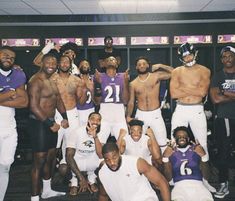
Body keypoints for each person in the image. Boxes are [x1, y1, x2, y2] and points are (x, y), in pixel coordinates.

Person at [170, 42, 215, 192]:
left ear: (195, 53)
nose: (188, 58)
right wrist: (193, 89)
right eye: (185, 56)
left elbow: (202, 93)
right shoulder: (176, 71)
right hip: (181, 108)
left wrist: (183, 88)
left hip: (197, 109)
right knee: (173, 142)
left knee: (202, 144)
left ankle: (205, 180)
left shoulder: (205, 71)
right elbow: (174, 94)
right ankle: (172, 176)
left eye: (189, 54)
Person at [28, 53, 69, 201]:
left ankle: (47, 190)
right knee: (39, 160)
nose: (51, 65)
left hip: (51, 123)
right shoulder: (35, 81)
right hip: (39, 124)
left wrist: (65, 118)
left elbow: (57, 100)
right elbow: (33, 106)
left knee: (51, 157)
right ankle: (34, 197)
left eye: (54, 63)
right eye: (48, 62)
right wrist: (50, 124)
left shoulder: (52, 80)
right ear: (41, 63)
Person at [126, 56, 173, 153]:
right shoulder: (133, 84)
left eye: (144, 64)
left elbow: (175, 72)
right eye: (139, 64)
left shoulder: (156, 76)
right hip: (141, 115)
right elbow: (131, 101)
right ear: (136, 67)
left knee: (162, 142)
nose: (142, 66)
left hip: (156, 114)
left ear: (148, 65)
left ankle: (164, 165)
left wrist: (160, 65)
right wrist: (128, 116)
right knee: (139, 143)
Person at [0, 46, 28, 201]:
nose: (8, 59)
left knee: (5, 167)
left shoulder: (18, 74)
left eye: (11, 57)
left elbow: (24, 102)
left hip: (9, 129)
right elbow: (16, 97)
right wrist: (11, 93)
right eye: (5, 55)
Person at [98, 143, 170, 201]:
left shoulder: (136, 163)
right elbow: (103, 196)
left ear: (119, 153)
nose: (112, 162)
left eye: (114, 157)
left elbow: (162, 182)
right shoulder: (102, 173)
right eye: (107, 159)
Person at [210, 46, 235, 199]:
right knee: (224, 152)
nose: (227, 59)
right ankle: (223, 183)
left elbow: (221, 95)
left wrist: (225, 92)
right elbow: (215, 98)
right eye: (224, 57)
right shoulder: (218, 76)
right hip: (224, 117)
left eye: (230, 56)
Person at [162, 126, 214, 201]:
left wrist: (203, 156)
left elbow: (207, 177)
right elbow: (169, 180)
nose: (181, 138)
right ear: (175, 139)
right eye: (179, 136)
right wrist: (165, 158)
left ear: (188, 139)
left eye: (184, 136)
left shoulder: (196, 149)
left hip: (199, 186)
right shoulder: (170, 151)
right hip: (179, 187)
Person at [66, 112, 108, 195]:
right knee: (63, 168)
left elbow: (100, 155)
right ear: (88, 120)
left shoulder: (102, 132)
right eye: (93, 119)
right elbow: (69, 156)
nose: (95, 121)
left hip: (92, 160)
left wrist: (95, 137)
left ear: (100, 122)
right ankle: (74, 180)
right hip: (78, 159)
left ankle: (91, 178)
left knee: (105, 163)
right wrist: (81, 178)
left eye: (98, 120)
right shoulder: (77, 131)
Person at [94, 56, 129, 140]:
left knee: (124, 142)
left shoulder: (123, 76)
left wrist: (126, 83)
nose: (111, 61)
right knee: (99, 141)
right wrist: (98, 84)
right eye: (108, 60)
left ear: (117, 65)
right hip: (104, 112)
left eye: (113, 60)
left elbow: (126, 100)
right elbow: (97, 102)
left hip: (119, 112)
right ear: (104, 64)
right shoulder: (99, 76)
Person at [76, 59, 96, 126]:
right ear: (78, 68)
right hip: (77, 111)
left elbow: (96, 102)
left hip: (91, 110)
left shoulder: (94, 79)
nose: (84, 66)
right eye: (82, 65)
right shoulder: (75, 79)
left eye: (86, 64)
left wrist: (92, 90)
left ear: (90, 68)